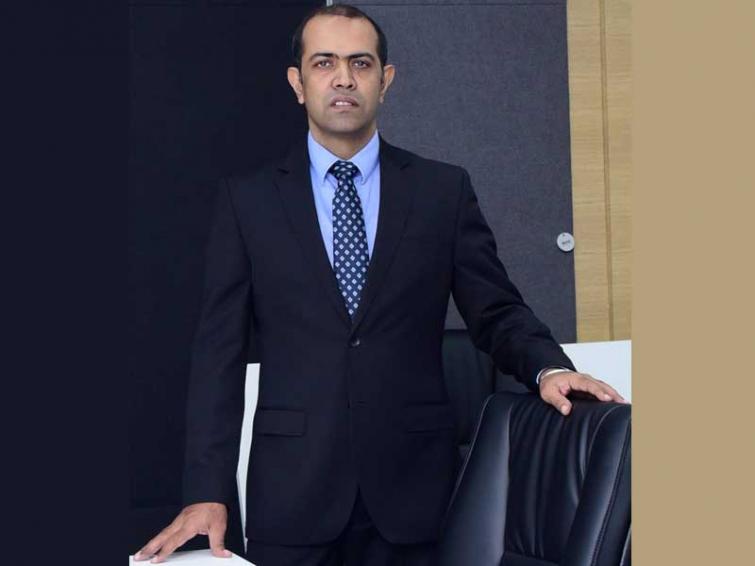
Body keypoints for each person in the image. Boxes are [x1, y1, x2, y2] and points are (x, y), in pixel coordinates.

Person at [134, 4, 626, 565]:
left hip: (415, 498)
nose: (343, 78)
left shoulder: (441, 192)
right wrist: (207, 490)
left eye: (360, 63)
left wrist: (550, 368)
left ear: (385, 80)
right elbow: (217, 354)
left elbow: (496, 310)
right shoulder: (247, 201)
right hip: (292, 500)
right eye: (324, 63)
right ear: (297, 83)